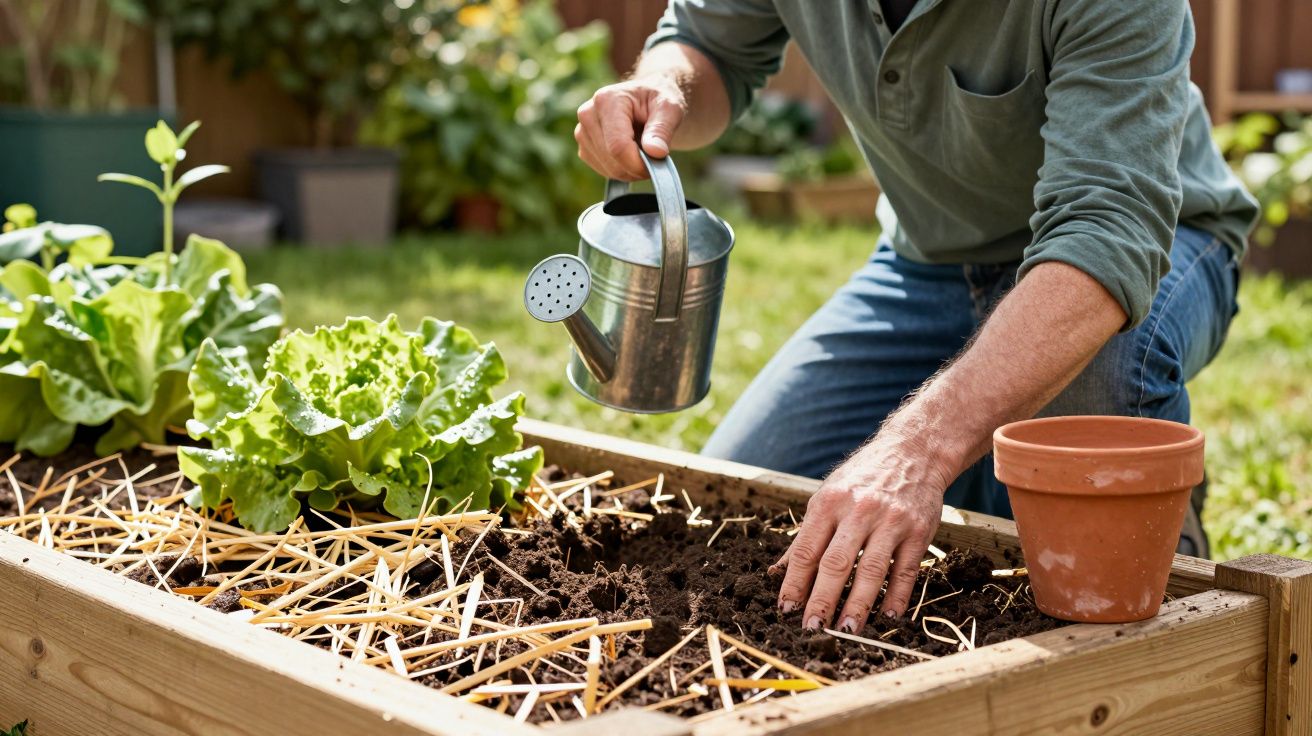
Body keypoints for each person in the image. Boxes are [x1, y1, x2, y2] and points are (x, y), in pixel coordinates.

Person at [573, 0, 1258, 635]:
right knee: (743, 519)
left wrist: (921, 448)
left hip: (1151, 244)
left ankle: (1147, 522)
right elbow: (705, 42)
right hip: (927, 261)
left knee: (1085, 404)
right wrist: (663, 86)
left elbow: (1105, 234)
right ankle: (990, 466)